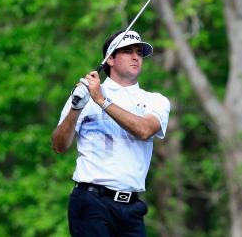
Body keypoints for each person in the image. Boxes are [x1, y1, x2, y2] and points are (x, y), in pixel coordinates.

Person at [52, 29, 170, 237]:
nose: (136, 57)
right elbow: (59, 146)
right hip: (91, 203)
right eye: (128, 51)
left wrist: (102, 101)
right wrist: (76, 108)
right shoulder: (84, 95)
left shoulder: (155, 100)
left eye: (139, 53)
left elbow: (144, 130)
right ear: (111, 59)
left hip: (131, 208)